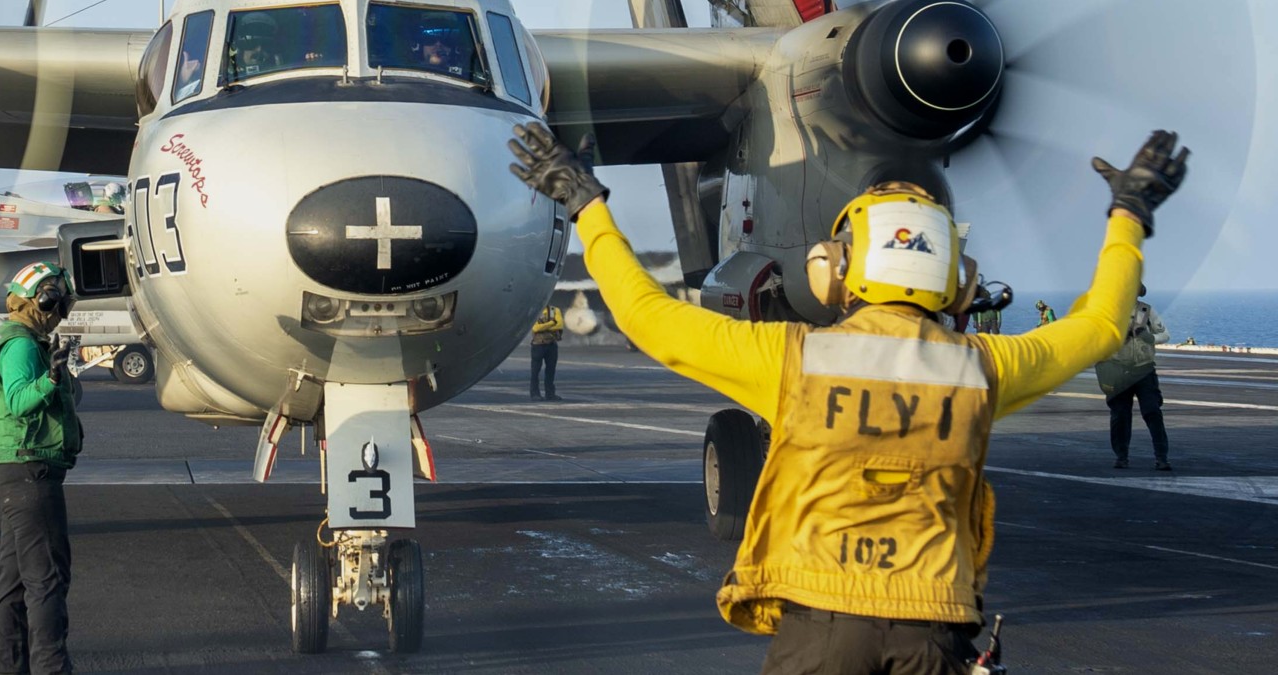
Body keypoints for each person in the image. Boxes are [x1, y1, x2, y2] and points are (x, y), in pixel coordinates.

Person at [508, 122, 1187, 675]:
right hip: (934, 630)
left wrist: (585, 203)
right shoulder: (983, 368)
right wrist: (1129, 214)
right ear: (957, 277)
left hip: (819, 629)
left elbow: (645, 314)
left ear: (835, 267)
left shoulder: (793, 358)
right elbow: (1100, 324)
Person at [0, 261, 84, 675]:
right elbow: (20, 401)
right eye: (58, 303)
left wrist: (61, 377)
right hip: (28, 472)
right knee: (47, 578)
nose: (60, 312)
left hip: (13, 471)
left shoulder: (23, 341)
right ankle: (51, 667)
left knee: (16, 579)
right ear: (43, 299)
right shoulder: (20, 344)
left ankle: (6, 667)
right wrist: (51, 381)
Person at [1096, 283, 1171, 471]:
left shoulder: (1146, 311)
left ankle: (1161, 457)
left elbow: (1165, 334)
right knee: (1120, 416)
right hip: (1117, 371)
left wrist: (1150, 338)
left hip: (1143, 370)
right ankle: (1121, 457)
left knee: (1152, 412)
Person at [529, 302, 565, 401]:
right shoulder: (535, 310)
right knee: (535, 371)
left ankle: (550, 394)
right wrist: (551, 323)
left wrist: (544, 326)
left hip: (551, 345)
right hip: (538, 345)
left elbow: (560, 325)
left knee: (551, 371)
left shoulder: (555, 310)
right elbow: (535, 328)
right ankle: (535, 394)